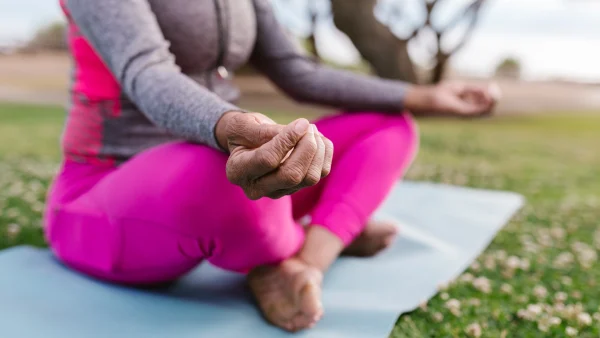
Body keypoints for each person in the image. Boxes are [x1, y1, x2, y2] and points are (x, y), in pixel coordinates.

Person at [45, 0, 498, 332]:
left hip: (230, 162)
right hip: (104, 195)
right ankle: (320, 230)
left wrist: (420, 97)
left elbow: (296, 71)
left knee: (387, 126)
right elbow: (147, 72)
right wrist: (234, 125)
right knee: (219, 172)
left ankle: (304, 264)